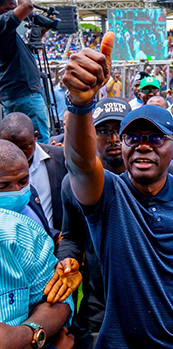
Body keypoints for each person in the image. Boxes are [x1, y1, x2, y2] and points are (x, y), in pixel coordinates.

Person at [59, 37, 173, 348]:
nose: (143, 144)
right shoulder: (108, 196)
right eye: (133, 137)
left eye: (155, 137)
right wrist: (79, 104)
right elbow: (80, 163)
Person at [53, 97, 130, 349]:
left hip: (147, 296)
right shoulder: (72, 185)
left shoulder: (156, 176)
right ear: (91, 136)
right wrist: (69, 258)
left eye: (120, 130)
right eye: (104, 131)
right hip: (100, 299)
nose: (114, 139)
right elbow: (71, 235)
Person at [0, 140, 74, 349]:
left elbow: (58, 300)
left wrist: (26, 334)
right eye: (3, 186)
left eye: (23, 181)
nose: (16, 191)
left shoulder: (26, 233)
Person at [0, 113, 67, 238]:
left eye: (24, 147)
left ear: (35, 137)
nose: (17, 153)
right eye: (11, 146)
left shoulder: (60, 157)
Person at [0, 0, 50, 143]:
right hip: (25, 94)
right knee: (40, 143)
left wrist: (38, 35)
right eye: (10, 8)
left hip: (15, 94)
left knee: (18, 144)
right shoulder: (2, 23)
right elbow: (27, 6)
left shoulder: (7, 31)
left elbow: (17, 57)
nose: (14, 11)